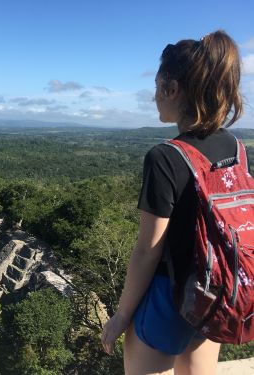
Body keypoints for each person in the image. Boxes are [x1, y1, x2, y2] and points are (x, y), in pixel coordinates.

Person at [101, 30, 244, 374]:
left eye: (156, 87)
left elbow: (148, 249)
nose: (154, 97)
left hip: (170, 297)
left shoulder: (166, 157)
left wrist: (121, 316)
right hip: (215, 291)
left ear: (171, 88)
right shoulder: (236, 148)